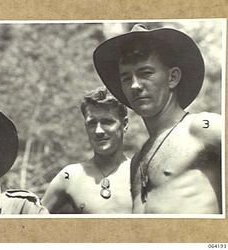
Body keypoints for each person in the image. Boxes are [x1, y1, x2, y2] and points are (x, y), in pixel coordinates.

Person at [93, 24, 222, 214]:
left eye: (145, 73)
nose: (135, 85)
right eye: (126, 78)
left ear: (173, 78)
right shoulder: (138, 160)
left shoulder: (203, 128)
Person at [42, 87, 132, 214]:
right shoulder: (70, 177)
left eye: (107, 122)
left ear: (124, 124)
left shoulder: (141, 176)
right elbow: (31, 226)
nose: (98, 131)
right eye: (92, 123)